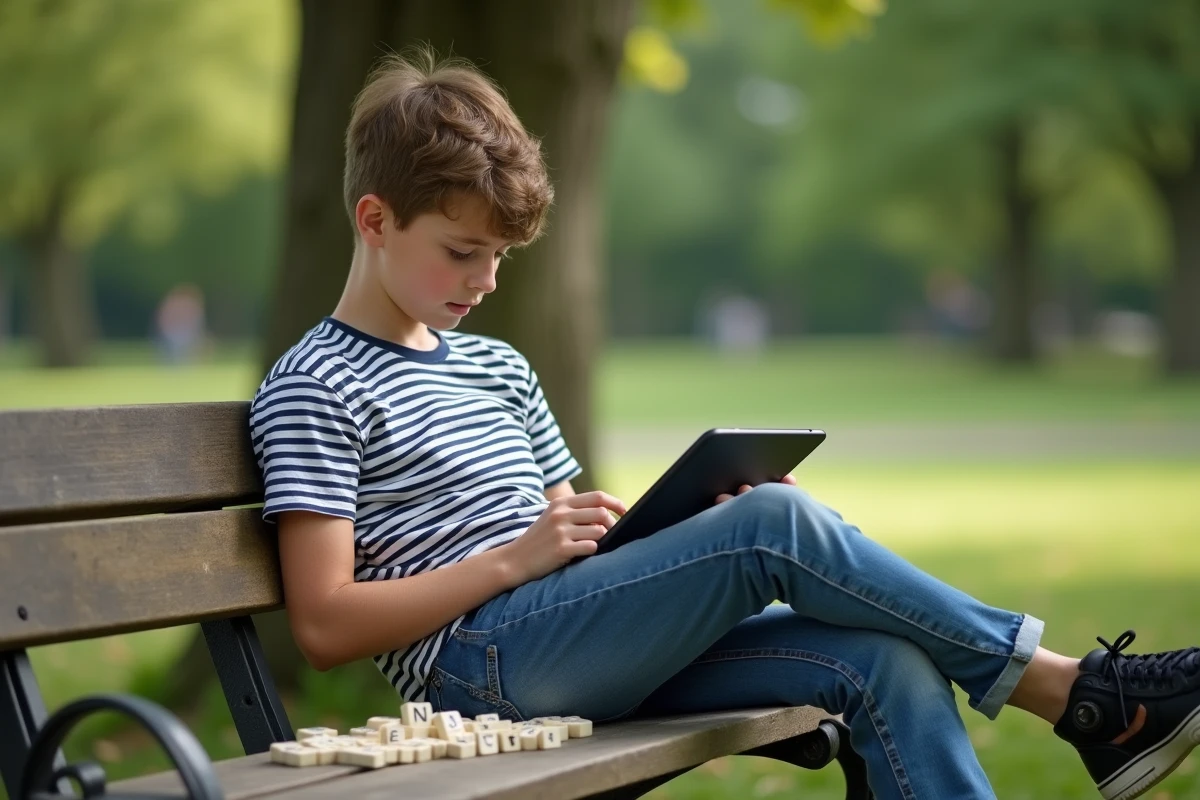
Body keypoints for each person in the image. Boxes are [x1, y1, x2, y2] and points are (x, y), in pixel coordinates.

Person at [247, 50, 1200, 800]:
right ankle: (1074, 693)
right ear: (375, 221)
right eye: (463, 253)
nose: (487, 281)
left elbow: (573, 549)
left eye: (499, 257)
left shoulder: (500, 366)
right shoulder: (316, 386)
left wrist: (686, 531)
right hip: (476, 676)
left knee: (888, 662)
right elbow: (326, 623)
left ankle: (1085, 705)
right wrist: (512, 562)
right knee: (776, 527)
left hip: (576, 646)